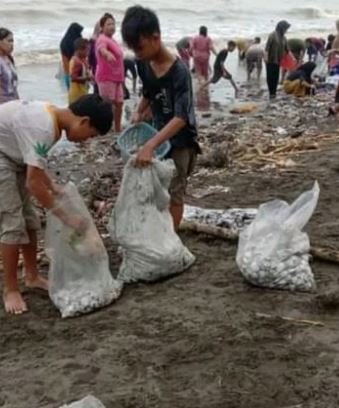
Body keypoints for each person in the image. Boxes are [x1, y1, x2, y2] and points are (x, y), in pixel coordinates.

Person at [0, 95, 113, 314]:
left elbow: (35, 162)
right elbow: (33, 183)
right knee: (13, 223)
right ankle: (11, 289)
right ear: (84, 121)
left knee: (30, 218)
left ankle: (32, 276)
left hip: (12, 154)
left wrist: (51, 186)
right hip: (1, 156)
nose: (85, 141)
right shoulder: (42, 127)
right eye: (90, 135)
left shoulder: (53, 122)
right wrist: (66, 217)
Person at [122, 5, 200, 230]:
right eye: (133, 50)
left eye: (140, 48)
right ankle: (160, 230)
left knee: (175, 192)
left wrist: (150, 145)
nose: (137, 54)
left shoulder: (180, 72)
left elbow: (181, 117)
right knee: (158, 188)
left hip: (180, 141)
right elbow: (149, 90)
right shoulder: (143, 63)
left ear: (155, 38)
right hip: (157, 134)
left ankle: (171, 238)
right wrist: (139, 111)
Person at [95, 13, 125, 133]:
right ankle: (106, 129)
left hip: (117, 78)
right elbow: (101, 48)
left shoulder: (113, 40)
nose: (112, 26)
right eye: (108, 24)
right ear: (102, 27)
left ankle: (117, 128)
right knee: (108, 105)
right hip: (106, 77)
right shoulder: (101, 38)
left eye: (113, 24)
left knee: (120, 103)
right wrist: (107, 54)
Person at [265, 20, 290, 99]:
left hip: (278, 60)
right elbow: (267, 48)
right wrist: (266, 57)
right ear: (281, 28)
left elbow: (287, 50)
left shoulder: (284, 38)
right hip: (270, 59)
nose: (286, 30)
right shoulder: (272, 35)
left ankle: (274, 93)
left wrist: (292, 59)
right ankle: (271, 92)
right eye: (285, 28)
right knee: (270, 76)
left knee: (276, 76)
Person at [60, 23, 83, 90]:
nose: (80, 34)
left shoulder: (67, 41)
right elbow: (65, 59)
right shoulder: (66, 43)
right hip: (71, 65)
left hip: (74, 65)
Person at [68, 38, 91, 104]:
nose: (88, 52)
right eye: (87, 50)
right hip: (77, 93)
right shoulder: (77, 62)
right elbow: (73, 78)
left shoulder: (82, 60)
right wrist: (87, 78)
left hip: (82, 90)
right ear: (80, 50)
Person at [0, 28, 19, 104]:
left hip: (12, 103)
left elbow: (13, 87)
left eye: (12, 41)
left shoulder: (8, 58)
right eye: (9, 41)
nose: (12, 44)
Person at [89, 22, 101, 94]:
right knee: (97, 90)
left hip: (101, 69)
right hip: (95, 69)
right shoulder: (92, 41)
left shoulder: (105, 40)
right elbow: (89, 57)